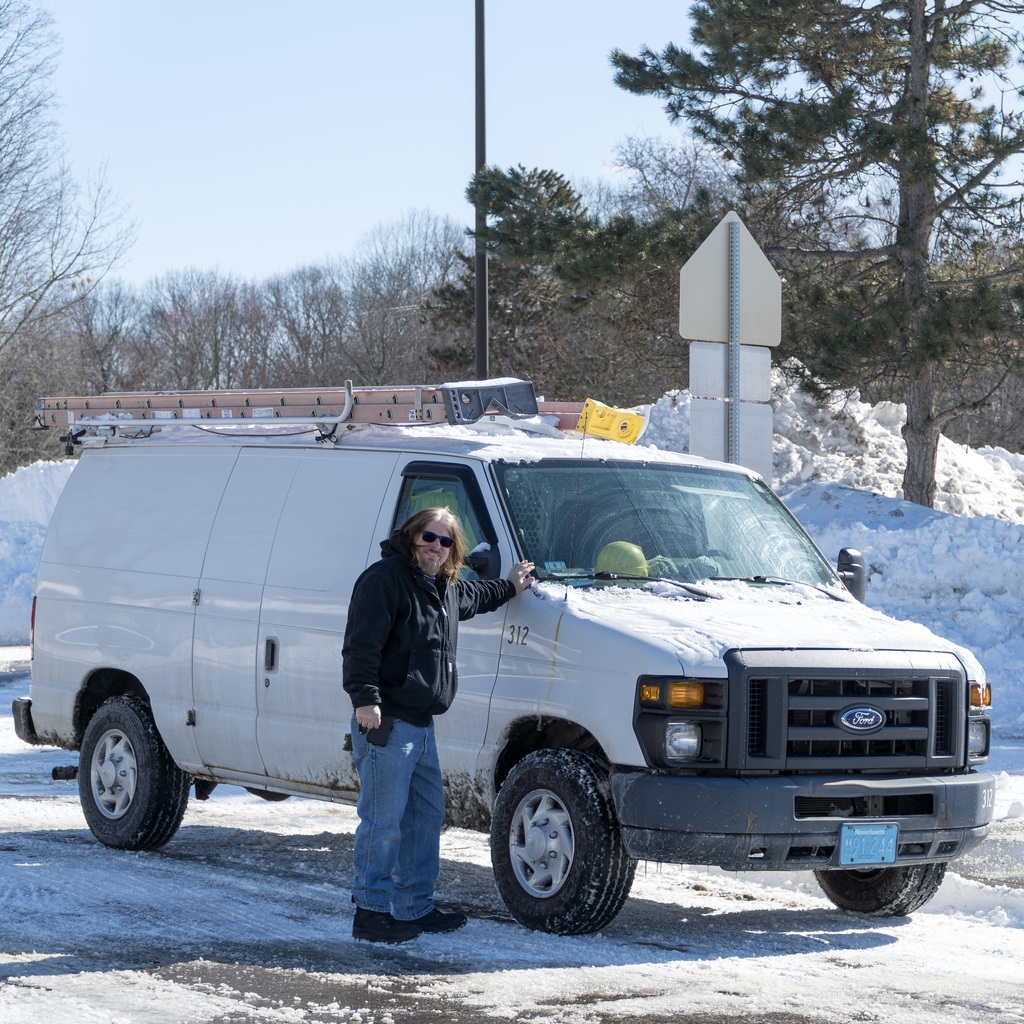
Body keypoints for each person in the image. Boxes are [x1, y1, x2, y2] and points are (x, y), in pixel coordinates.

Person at [343, 507, 534, 943]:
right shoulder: (384, 579)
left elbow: (476, 597)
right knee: (383, 821)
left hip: (422, 725)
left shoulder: (443, 587)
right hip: (386, 721)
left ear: (453, 550)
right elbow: (360, 646)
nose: (436, 546)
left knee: (425, 818)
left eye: (445, 541)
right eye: (429, 537)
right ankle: (370, 913)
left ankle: (413, 907)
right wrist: (366, 701)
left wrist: (511, 585)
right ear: (412, 536)